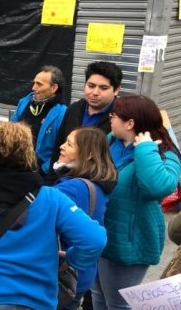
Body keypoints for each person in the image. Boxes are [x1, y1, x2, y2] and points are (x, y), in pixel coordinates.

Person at [0, 122, 107, 309]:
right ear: (28, 152)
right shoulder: (51, 198)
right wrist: (72, 259)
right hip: (35, 300)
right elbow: (94, 240)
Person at [92, 95, 181, 309]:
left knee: (119, 305)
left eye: (114, 116)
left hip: (130, 244)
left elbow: (157, 187)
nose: (110, 119)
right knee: (98, 297)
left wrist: (144, 149)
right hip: (101, 235)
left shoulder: (165, 154)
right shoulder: (111, 141)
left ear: (130, 123)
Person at [53, 127, 118, 310]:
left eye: (69, 144)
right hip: (81, 276)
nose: (61, 146)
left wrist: (70, 259)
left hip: (60, 275)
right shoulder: (95, 184)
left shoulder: (69, 189)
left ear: (88, 154)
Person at [48, 61, 123, 184]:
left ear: (116, 90)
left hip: (95, 187)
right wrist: (51, 183)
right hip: (64, 182)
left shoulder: (121, 117)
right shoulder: (74, 109)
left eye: (103, 88)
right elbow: (58, 148)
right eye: (91, 85)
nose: (95, 92)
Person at [11, 65, 67, 175]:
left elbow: (63, 149)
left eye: (39, 84)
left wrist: (43, 170)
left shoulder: (62, 113)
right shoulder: (24, 102)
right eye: (34, 83)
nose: (33, 88)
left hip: (40, 172)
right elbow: (11, 131)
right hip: (16, 165)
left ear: (54, 88)